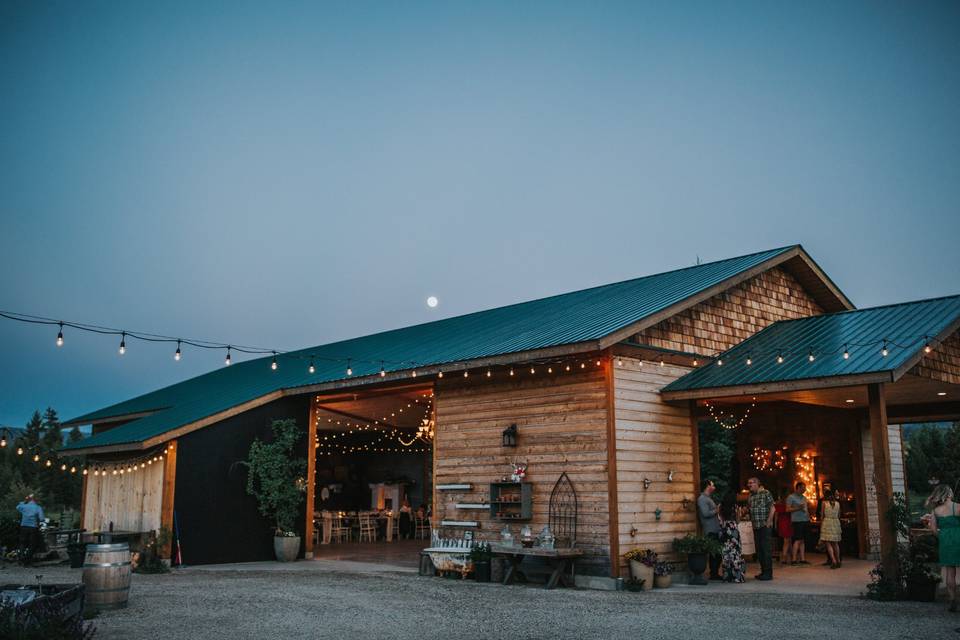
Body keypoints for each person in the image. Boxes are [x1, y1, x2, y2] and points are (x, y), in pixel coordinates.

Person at [926, 484, 960, 612]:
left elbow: (933, 528)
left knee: (950, 572)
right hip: (958, 537)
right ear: (950, 494)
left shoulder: (936, 511)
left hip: (945, 540)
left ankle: (952, 600)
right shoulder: (957, 507)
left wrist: (942, 536)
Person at [747, 477, 775, 580]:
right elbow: (749, 509)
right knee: (759, 550)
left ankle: (768, 573)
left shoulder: (765, 493)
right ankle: (763, 571)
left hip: (764, 526)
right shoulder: (751, 496)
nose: (749, 485)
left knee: (766, 549)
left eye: (751, 483)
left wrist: (769, 521)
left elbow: (772, 507)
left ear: (757, 483)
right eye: (748, 483)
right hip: (756, 526)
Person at [697, 479, 722, 580]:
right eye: (713, 485)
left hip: (715, 528)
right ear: (708, 486)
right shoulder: (702, 499)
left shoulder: (708, 498)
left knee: (717, 553)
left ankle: (715, 573)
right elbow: (705, 513)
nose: (714, 486)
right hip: (710, 529)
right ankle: (714, 574)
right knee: (714, 554)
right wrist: (717, 510)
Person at [719, 495, 746, 583]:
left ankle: (727, 577)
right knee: (736, 553)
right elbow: (738, 520)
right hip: (733, 529)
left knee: (726, 553)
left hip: (725, 529)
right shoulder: (736, 507)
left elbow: (720, 519)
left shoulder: (720, 506)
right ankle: (737, 577)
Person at [16, 494, 44, 566]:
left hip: (23, 527)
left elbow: (17, 507)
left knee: (22, 542)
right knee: (33, 544)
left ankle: (22, 557)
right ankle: (27, 559)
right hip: (33, 528)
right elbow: (42, 519)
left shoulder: (23, 506)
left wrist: (24, 501)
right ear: (35, 500)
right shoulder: (38, 507)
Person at [786, 482, 811, 565]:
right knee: (797, 540)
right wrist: (798, 508)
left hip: (805, 520)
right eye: (803, 488)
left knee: (802, 540)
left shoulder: (804, 497)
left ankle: (802, 559)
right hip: (797, 521)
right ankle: (793, 560)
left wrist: (808, 517)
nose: (805, 490)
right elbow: (787, 509)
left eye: (805, 488)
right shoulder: (791, 497)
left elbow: (806, 508)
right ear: (798, 488)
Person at [819, 489, 842, 569]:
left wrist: (821, 526)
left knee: (828, 543)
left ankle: (833, 561)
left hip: (827, 523)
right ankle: (838, 560)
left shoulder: (824, 503)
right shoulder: (838, 504)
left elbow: (822, 516)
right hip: (836, 522)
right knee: (835, 543)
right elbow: (839, 515)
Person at [774, 489, 793, 566]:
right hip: (788, 522)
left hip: (781, 522)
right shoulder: (789, 503)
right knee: (787, 540)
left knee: (788, 540)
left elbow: (776, 515)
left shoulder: (778, 503)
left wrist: (775, 524)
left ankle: (792, 556)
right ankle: (784, 558)